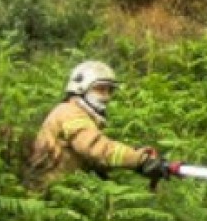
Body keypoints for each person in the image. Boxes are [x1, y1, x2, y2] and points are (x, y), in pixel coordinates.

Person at [29, 60, 170, 190]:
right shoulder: (70, 113)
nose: (106, 96)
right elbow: (96, 148)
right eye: (100, 89)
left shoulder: (81, 114)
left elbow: (95, 159)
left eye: (109, 90)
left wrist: (133, 155)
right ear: (81, 88)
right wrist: (140, 160)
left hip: (64, 191)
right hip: (51, 194)